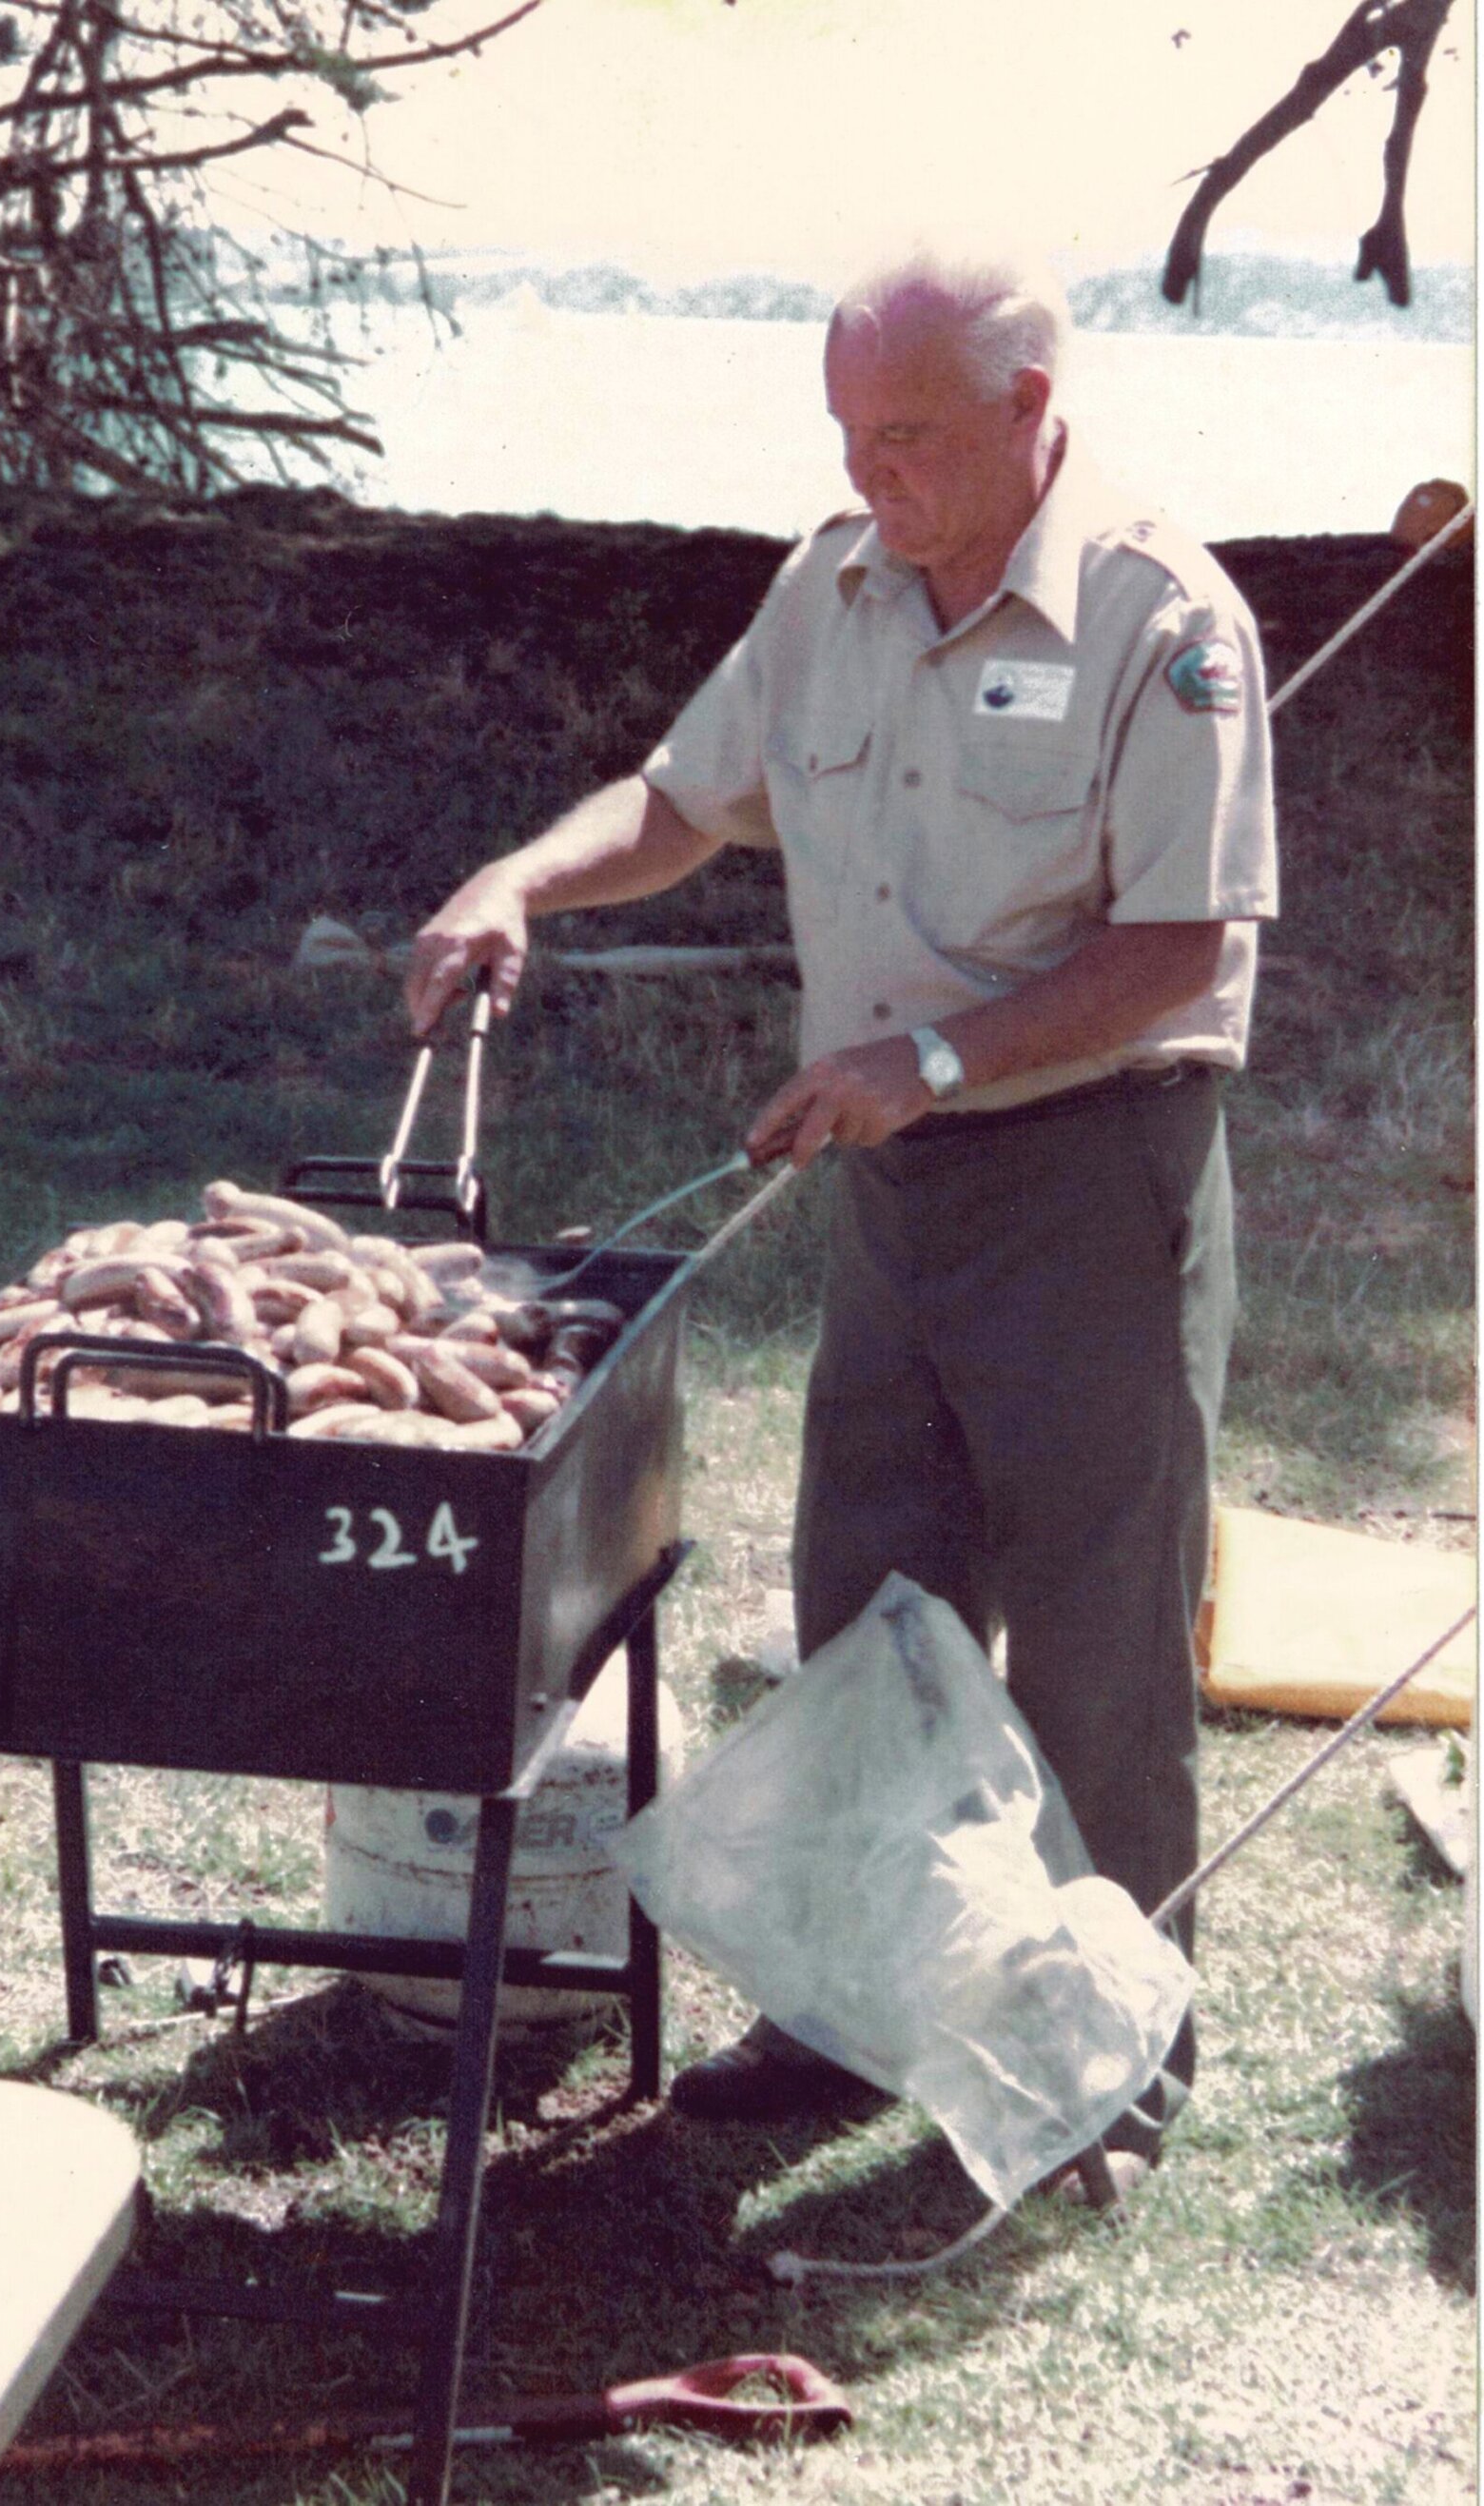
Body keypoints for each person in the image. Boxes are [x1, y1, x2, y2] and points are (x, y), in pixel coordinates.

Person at [405, 244, 1277, 2174]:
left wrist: (938, 1061)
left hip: (1089, 1169)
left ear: (1032, 408)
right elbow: (685, 795)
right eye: (846, 436)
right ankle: (852, 2020)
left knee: (1091, 1630)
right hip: (894, 1186)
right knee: (872, 1596)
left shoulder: (1158, 617)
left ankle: (1108, 2064)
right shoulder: (834, 587)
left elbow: (1174, 946)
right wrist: (519, 882)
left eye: (908, 438)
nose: (871, 474)